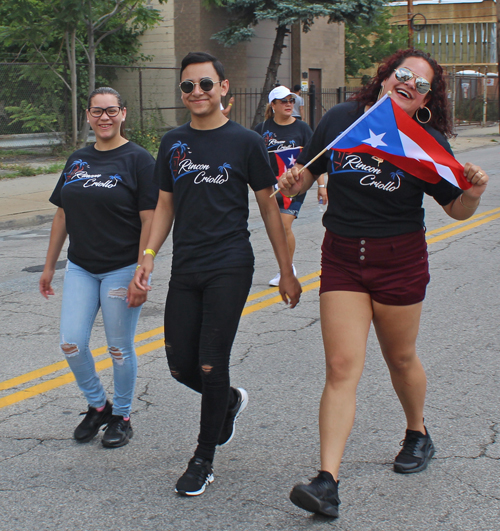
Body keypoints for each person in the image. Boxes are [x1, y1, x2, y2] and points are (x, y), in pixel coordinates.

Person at [278, 49, 489, 517]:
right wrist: (294, 182)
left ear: (426, 99)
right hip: (342, 259)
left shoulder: (424, 141)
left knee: (400, 357)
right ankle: (327, 481)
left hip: (400, 260)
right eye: (403, 74)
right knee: (341, 367)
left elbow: (455, 208)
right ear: (387, 77)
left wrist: (472, 193)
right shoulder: (342, 120)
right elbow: (309, 173)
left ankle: (418, 432)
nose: (409, 83)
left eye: (420, 83)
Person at [134, 52, 301, 497]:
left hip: (230, 262)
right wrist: (148, 253)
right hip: (187, 264)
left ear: (223, 88)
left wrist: (286, 270)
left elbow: (269, 206)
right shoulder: (172, 142)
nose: (196, 93)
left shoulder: (245, 141)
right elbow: (165, 204)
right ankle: (226, 400)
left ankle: (203, 458)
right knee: (179, 364)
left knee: (211, 362)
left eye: (205, 84)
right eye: (188, 86)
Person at [39, 87, 158, 448]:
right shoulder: (77, 159)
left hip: (122, 267)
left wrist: (143, 268)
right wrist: (49, 267)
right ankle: (98, 405)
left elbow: (150, 218)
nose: (103, 118)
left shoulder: (138, 160)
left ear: (123, 113)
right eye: (96, 111)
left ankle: (122, 415)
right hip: (81, 267)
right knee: (71, 342)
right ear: (88, 115)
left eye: (110, 111)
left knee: (119, 348)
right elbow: (62, 213)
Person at [254, 86, 313, 286]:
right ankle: (285, 268)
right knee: (276, 227)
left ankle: (288, 268)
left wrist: (322, 186)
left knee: (284, 224)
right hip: (271, 185)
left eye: (291, 100)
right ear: (273, 105)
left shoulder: (302, 128)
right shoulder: (262, 129)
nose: (289, 104)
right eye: (284, 101)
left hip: (295, 185)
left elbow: (314, 159)